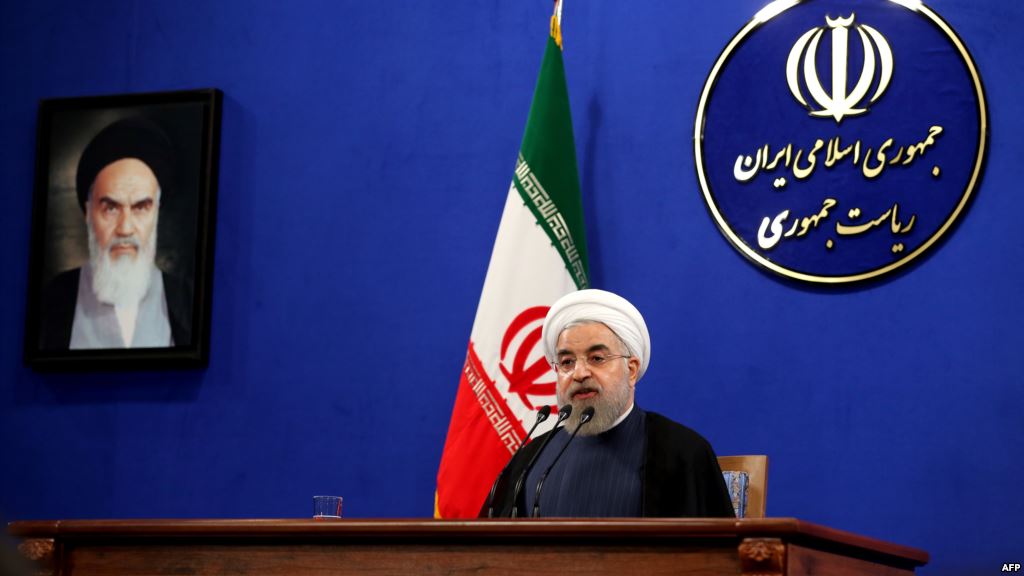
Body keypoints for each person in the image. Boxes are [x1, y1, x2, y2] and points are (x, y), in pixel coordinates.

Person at [484, 289, 735, 518]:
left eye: (596, 358)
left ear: (632, 370)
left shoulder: (682, 453)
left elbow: (712, 559)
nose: (580, 373)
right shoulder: (531, 458)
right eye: (567, 362)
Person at [39, 117, 192, 350]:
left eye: (141, 207)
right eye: (110, 208)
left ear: (157, 213)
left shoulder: (187, 300)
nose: (125, 228)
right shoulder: (51, 301)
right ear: (88, 213)